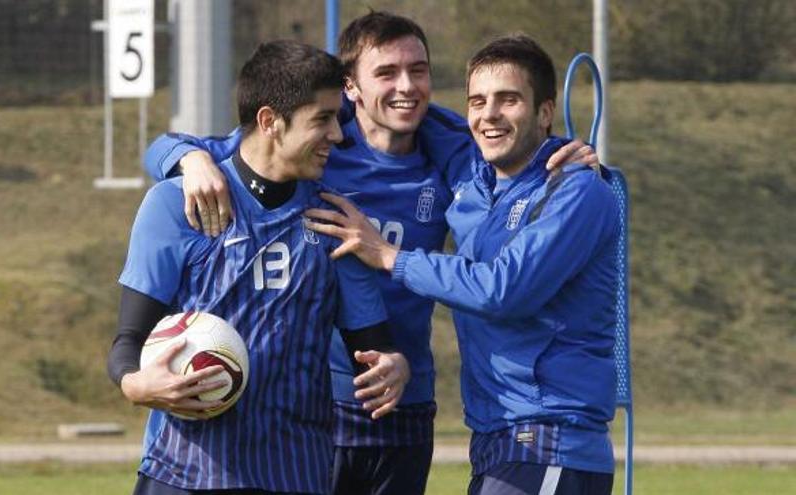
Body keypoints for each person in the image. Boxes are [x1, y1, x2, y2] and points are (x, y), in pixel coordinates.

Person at [144, 13, 597, 495]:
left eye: (418, 70)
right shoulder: (317, 143)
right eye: (386, 73)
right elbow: (193, 147)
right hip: (322, 405)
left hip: (407, 403)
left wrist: (569, 154)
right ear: (351, 87)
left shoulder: (451, 150)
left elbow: (518, 154)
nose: (407, 86)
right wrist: (186, 159)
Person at [305, 34, 620, 495]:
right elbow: (257, 140)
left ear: (545, 113)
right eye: (477, 101)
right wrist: (184, 156)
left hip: (550, 437)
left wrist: (388, 256)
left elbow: (501, 290)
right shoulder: (473, 183)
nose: (489, 114)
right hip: (496, 438)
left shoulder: (574, 190)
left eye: (508, 100)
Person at [107, 40, 410, 495]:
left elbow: (374, 347)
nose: (339, 136)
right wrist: (137, 384)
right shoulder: (174, 205)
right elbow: (128, 341)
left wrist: (392, 365)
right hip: (182, 473)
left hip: (294, 474)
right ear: (270, 121)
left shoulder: (337, 223)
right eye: (322, 120)